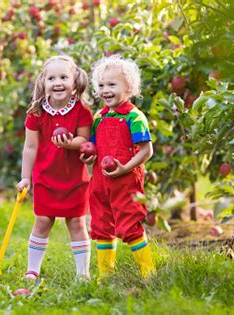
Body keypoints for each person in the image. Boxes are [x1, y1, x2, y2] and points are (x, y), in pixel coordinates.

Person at [16, 55, 93, 281]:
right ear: (43, 83)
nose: (57, 82)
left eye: (63, 77)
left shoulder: (81, 111)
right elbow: (30, 147)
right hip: (45, 178)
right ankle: (32, 269)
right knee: (42, 221)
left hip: (74, 179)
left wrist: (69, 144)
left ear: (74, 81)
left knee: (77, 222)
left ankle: (82, 273)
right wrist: (25, 178)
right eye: (51, 78)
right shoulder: (37, 113)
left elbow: (84, 141)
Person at [80, 55, 155, 278]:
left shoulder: (135, 117)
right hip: (100, 182)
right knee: (101, 227)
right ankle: (106, 275)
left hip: (125, 181)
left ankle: (148, 272)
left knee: (130, 225)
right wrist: (88, 157)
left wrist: (125, 168)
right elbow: (94, 147)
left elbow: (146, 150)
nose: (106, 90)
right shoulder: (99, 117)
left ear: (128, 87)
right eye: (101, 85)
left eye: (112, 84)